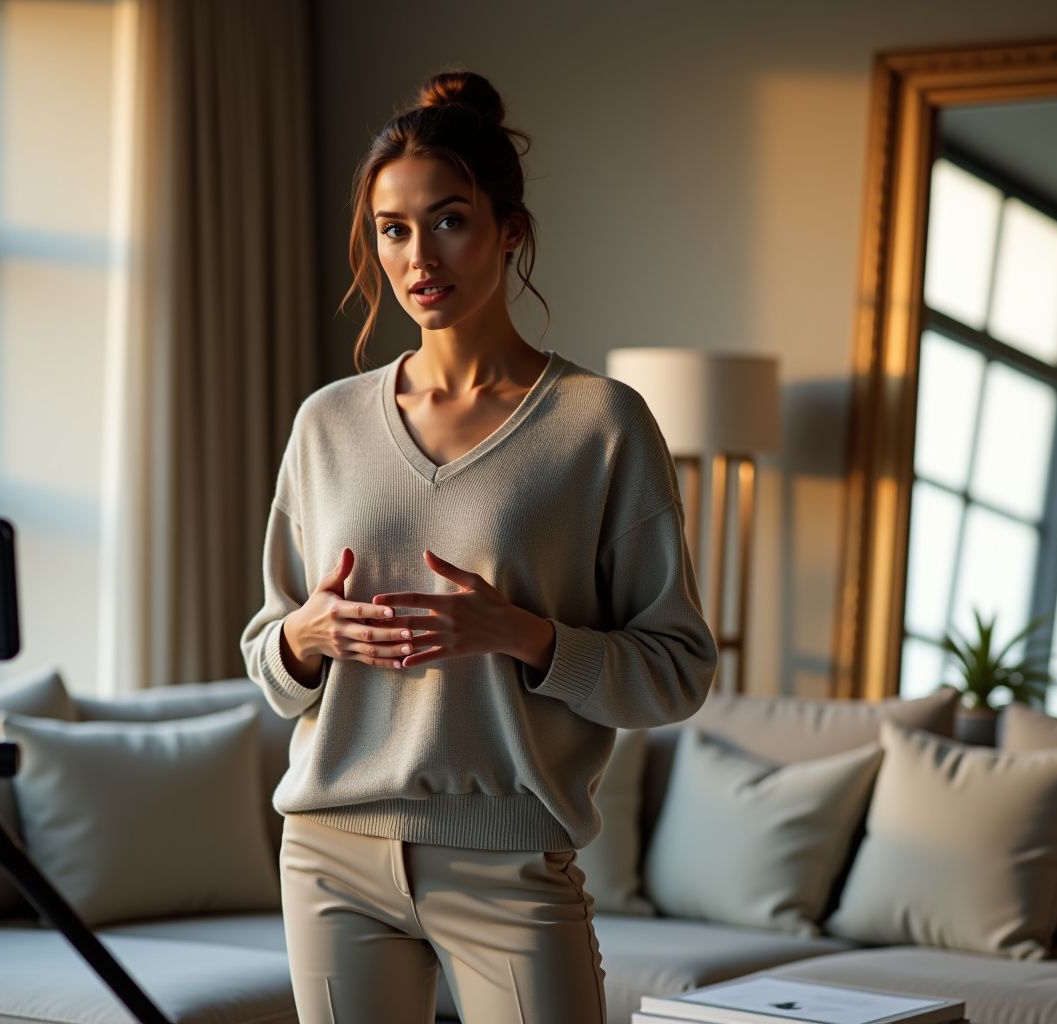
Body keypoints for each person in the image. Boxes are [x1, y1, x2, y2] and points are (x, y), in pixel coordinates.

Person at [239, 67, 719, 1024]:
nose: (421, 255)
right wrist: (308, 637)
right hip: (330, 854)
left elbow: (678, 672)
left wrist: (524, 635)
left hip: (510, 858)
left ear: (511, 230)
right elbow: (268, 653)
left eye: (450, 219)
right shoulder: (326, 424)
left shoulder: (600, 425)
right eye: (394, 228)